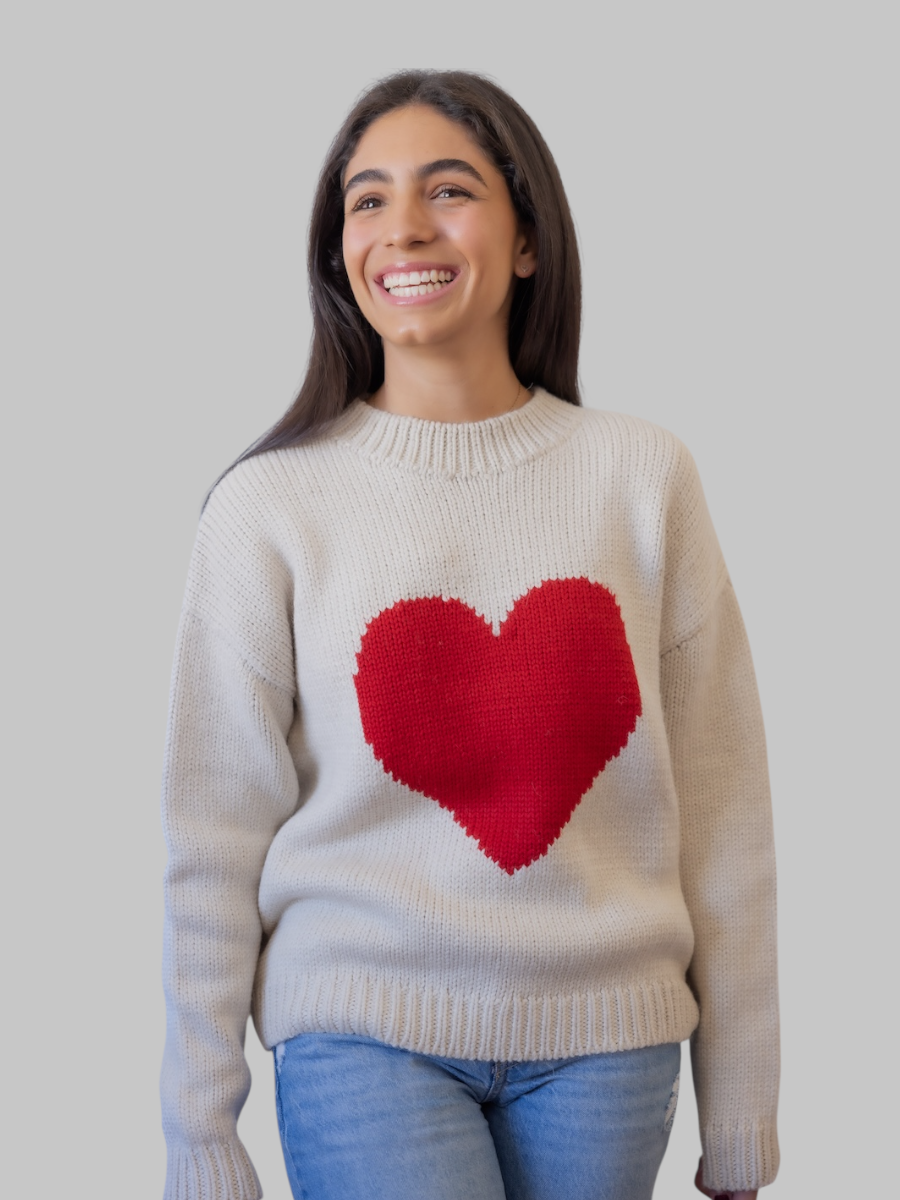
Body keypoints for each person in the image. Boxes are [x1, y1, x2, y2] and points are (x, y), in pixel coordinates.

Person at [159, 69, 780, 1200]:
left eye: (447, 190)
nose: (403, 226)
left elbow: (724, 808)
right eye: (367, 200)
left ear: (528, 240)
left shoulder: (643, 478)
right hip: (359, 1031)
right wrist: (200, 1129)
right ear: (338, 249)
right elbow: (213, 832)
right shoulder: (269, 507)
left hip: (611, 1042)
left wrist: (741, 1108)